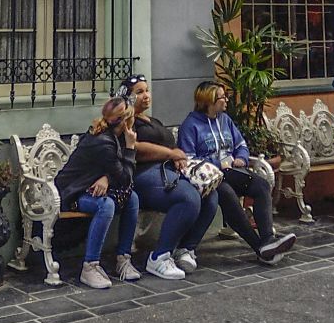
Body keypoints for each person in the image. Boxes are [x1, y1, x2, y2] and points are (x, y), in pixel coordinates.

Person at [177, 81, 299, 266]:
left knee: (261, 185)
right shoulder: (191, 125)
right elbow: (188, 159)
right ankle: (260, 247)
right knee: (226, 194)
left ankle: (267, 239)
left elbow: (240, 144)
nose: (226, 100)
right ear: (209, 101)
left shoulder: (225, 120)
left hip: (233, 171)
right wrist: (219, 163)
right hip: (211, 178)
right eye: (222, 97)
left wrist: (241, 157)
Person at [53, 96, 142, 290]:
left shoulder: (111, 136)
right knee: (106, 205)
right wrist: (131, 147)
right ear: (126, 121)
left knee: (132, 198)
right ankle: (90, 266)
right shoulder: (104, 142)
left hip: (88, 187)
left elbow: (115, 173)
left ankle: (123, 259)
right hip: (72, 194)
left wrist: (107, 178)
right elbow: (125, 176)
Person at [124, 76, 197, 280]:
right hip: (142, 176)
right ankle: (159, 257)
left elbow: (170, 147)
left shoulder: (153, 121)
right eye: (139, 92)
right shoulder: (128, 121)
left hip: (167, 171)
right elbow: (135, 149)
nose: (146, 96)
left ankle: (185, 249)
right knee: (188, 198)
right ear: (127, 97)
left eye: (147, 90)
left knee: (211, 195)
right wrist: (170, 154)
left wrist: (177, 156)